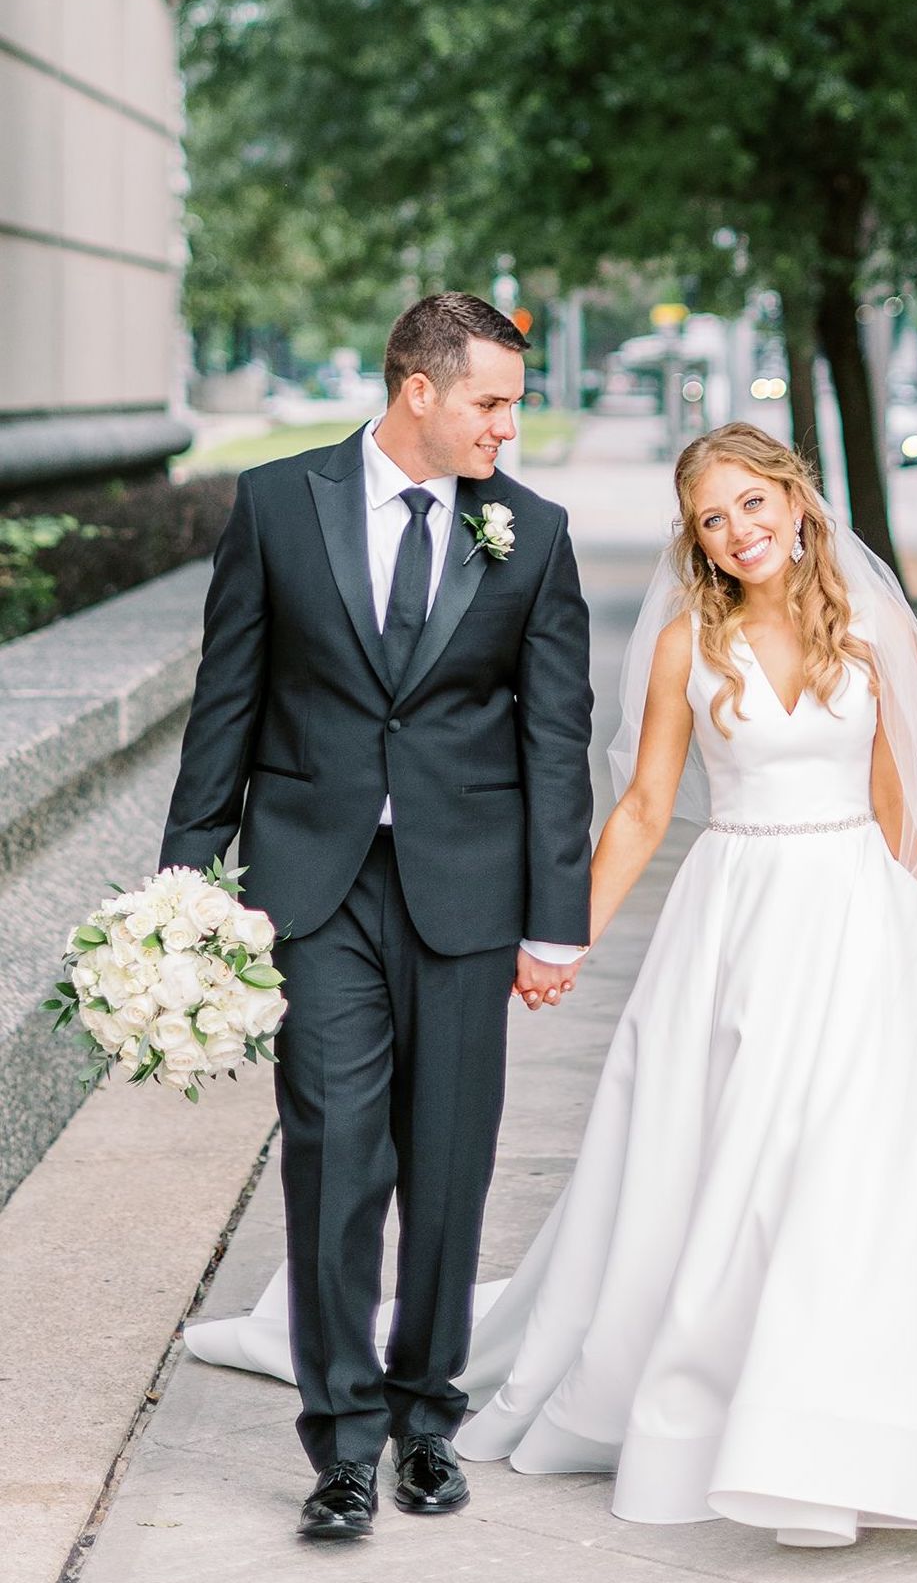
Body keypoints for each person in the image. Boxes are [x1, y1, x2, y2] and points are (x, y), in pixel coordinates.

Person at [184, 421, 917, 1550]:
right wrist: (562, 936)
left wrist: (907, 941)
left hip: (856, 919)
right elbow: (643, 804)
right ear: (692, 537)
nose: (738, 531)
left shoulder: (867, 630)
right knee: (733, 1159)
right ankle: (726, 1395)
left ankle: (866, 1405)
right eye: (711, 516)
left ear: (795, 501)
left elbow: (901, 810)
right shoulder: (686, 639)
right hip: (735, 913)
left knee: (859, 1167)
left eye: (753, 504)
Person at [161, 292, 593, 1539]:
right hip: (314, 884)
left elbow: (552, 737)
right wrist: (186, 887)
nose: (506, 426)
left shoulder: (533, 532)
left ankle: (425, 1418)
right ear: (420, 389)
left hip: (465, 890)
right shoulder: (277, 503)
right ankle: (343, 1441)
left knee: (450, 1166)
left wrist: (552, 920)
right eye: (491, 401)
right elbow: (223, 703)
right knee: (335, 1153)